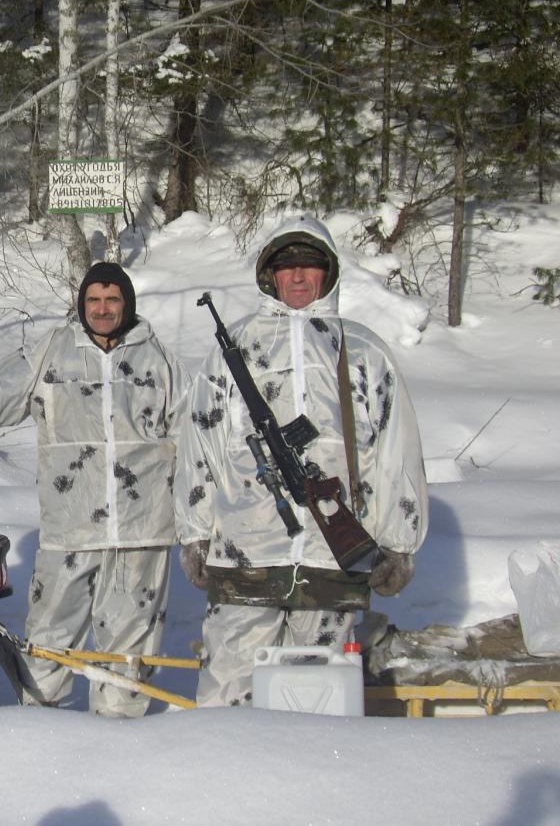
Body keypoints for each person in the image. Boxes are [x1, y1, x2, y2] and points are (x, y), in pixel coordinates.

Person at [0, 262, 187, 717]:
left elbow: (196, 438)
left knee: (131, 649)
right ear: (81, 304)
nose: (102, 310)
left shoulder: (160, 360)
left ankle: (122, 738)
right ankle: (38, 733)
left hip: (143, 532)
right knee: (48, 641)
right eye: (93, 300)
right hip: (70, 528)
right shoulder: (53, 352)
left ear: (128, 304)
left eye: (112, 300)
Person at [175, 214, 428, 707]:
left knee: (317, 699)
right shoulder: (237, 347)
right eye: (285, 266)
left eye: (309, 265)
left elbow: (397, 450)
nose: (296, 276)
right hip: (246, 551)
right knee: (227, 692)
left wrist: (398, 542)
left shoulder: (362, 350)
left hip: (334, 554)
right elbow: (200, 443)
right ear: (269, 274)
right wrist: (195, 532)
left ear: (328, 273)